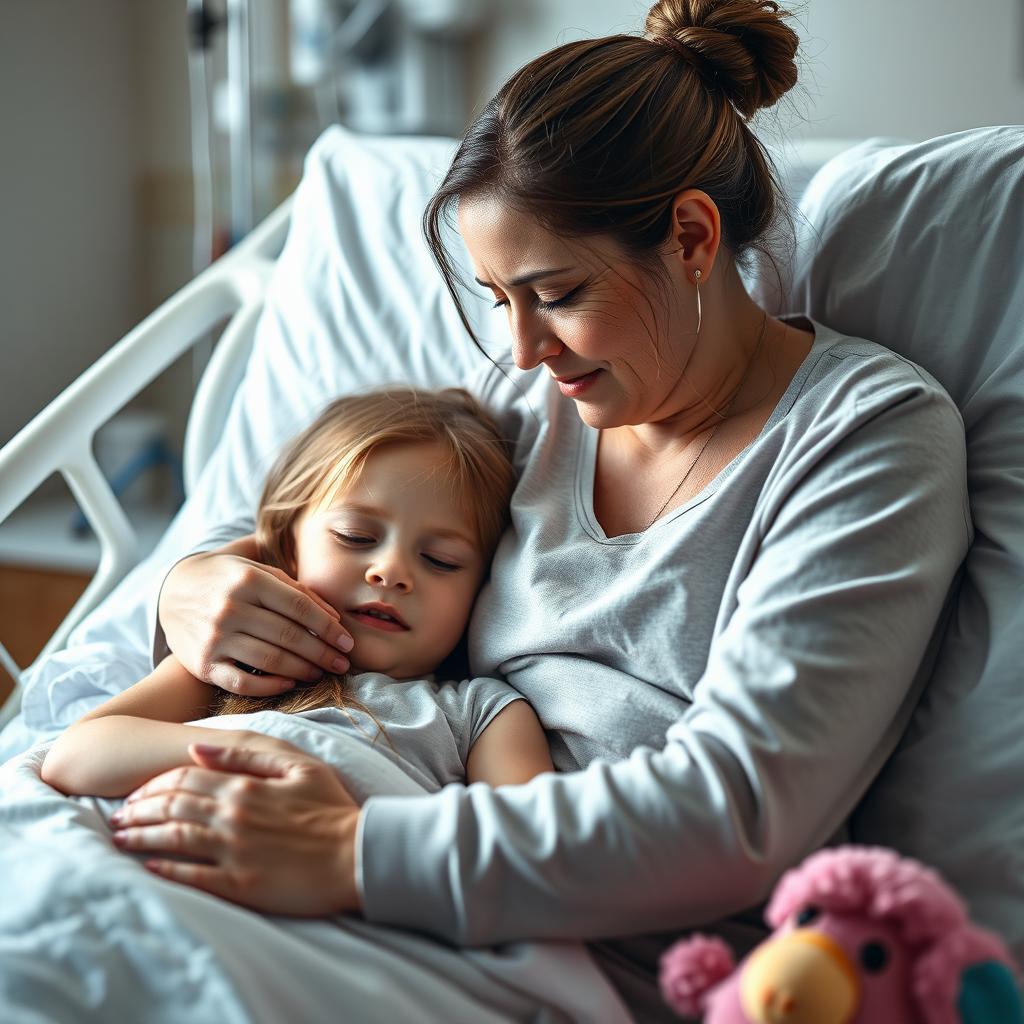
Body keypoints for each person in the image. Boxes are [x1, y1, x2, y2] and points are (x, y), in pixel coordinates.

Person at [99, 1, 971, 1017]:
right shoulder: (532, 412)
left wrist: (351, 851)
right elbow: (343, 500)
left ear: (691, 237)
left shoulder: (865, 438)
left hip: (599, 950)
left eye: (553, 293)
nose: (521, 350)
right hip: (386, 850)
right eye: (497, 299)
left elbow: (734, 808)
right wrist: (200, 577)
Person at [41, 387, 552, 799]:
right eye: (356, 537)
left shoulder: (482, 714)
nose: (391, 572)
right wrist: (259, 757)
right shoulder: (241, 668)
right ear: (288, 550)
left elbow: (528, 855)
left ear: (484, 589)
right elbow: (76, 756)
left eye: (442, 560)